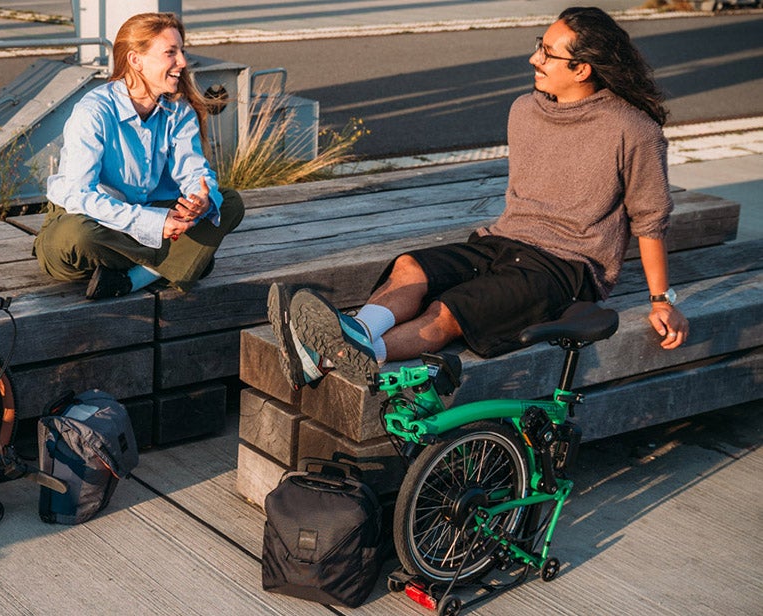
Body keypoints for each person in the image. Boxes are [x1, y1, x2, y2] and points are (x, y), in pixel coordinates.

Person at [269, 6, 690, 389]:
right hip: (501, 241)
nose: (534, 59)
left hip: (566, 268)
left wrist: (661, 301)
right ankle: (349, 336)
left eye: (547, 52)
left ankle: (335, 355)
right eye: (537, 47)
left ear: (582, 69)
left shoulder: (633, 130)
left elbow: (649, 220)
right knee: (410, 266)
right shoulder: (524, 110)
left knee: (451, 310)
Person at [34, 12, 244, 300]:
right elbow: (80, 196)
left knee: (229, 203)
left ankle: (132, 280)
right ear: (136, 60)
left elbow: (194, 173)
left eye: (181, 51)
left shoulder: (178, 111)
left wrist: (200, 199)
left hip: (152, 218)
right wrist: (155, 223)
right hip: (93, 221)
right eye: (171, 53)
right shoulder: (94, 112)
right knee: (73, 238)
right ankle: (185, 260)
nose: (182, 62)